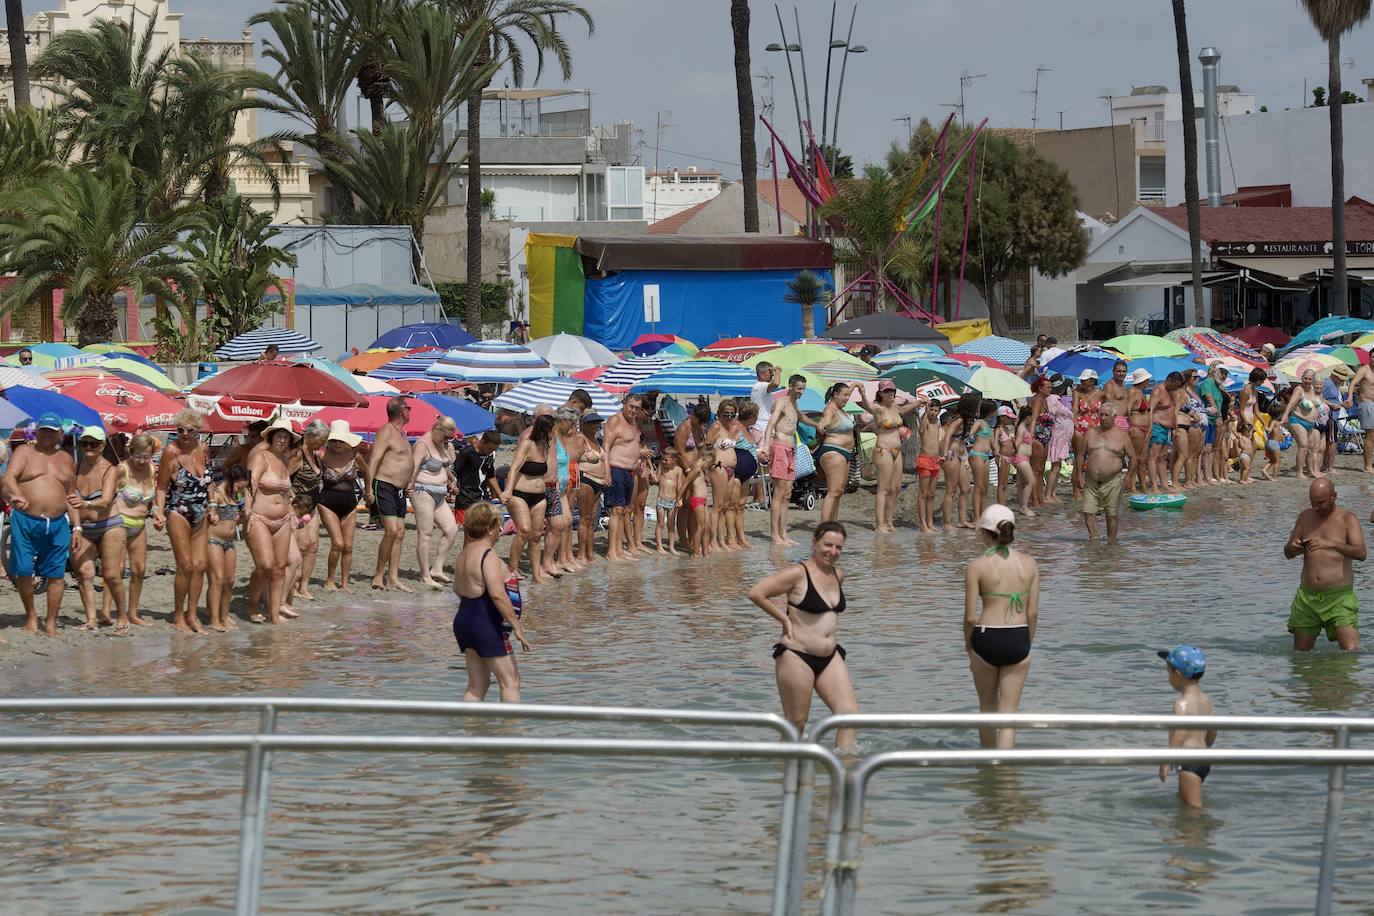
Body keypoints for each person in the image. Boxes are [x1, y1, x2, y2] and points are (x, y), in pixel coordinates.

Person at [746, 521, 859, 749]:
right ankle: (785, 767)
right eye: (828, 545)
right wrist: (784, 619)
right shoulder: (798, 573)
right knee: (796, 723)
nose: (833, 551)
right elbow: (757, 593)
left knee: (849, 716)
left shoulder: (838, 574)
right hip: (797, 655)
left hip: (830, 656)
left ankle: (843, 767)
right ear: (814, 542)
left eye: (838, 547)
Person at [964, 504, 1039, 749]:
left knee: (987, 708)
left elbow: (970, 618)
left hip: (986, 637)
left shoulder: (977, 566)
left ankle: (986, 763)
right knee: (1009, 714)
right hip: (1018, 637)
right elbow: (1032, 613)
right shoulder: (1029, 564)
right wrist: (1027, 643)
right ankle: (1005, 768)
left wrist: (969, 648)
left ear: (984, 532)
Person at [2, 413, 79, 637]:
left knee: (57, 574)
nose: (47, 435)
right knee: (24, 570)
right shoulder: (24, 452)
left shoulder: (66, 459)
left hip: (57, 523)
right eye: (43, 430)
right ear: (37, 431)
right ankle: (31, 615)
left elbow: (71, 495)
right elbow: (9, 478)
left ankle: (51, 622)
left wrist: (77, 527)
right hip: (26, 520)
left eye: (51, 431)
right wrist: (15, 495)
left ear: (60, 434)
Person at [452, 502, 530, 702]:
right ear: (489, 529)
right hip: (486, 623)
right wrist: (517, 626)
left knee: (477, 685)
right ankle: (511, 723)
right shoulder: (489, 556)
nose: (501, 531)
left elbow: (458, 589)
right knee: (510, 682)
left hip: (465, 619)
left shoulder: (464, 555)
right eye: (498, 526)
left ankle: (470, 722)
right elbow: (497, 594)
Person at [1283, 478, 1365, 651]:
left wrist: (1331, 544)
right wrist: (1293, 548)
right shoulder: (1305, 517)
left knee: (1350, 652)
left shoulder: (1348, 519)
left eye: (1320, 502)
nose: (1316, 507)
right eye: (1312, 502)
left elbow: (1361, 553)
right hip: (1307, 598)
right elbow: (1288, 553)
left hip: (1339, 598)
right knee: (1300, 655)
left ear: (1334, 496)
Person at [156, 409, 211, 633]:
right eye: (180, 430)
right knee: (185, 565)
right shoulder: (171, 451)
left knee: (200, 566)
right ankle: (178, 616)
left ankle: (192, 615)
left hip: (202, 511)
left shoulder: (203, 448)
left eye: (190, 430)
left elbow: (209, 482)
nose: (185, 434)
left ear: (198, 430)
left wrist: (214, 505)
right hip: (178, 511)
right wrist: (158, 511)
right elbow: (161, 487)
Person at [245, 417, 300, 624]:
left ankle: (275, 615)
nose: (282, 440)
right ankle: (253, 605)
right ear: (271, 437)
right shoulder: (261, 457)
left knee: (279, 568)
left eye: (286, 437)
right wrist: (247, 509)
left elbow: (285, 492)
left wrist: (291, 513)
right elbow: (250, 484)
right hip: (260, 517)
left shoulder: (284, 460)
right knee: (265, 566)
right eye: (279, 436)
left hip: (282, 520)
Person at [70, 426, 120, 631]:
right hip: (84, 526)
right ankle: (91, 619)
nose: (89, 447)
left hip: (109, 525)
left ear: (102, 446)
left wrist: (86, 504)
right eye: (85, 443)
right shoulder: (75, 468)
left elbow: (106, 500)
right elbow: (70, 500)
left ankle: (119, 616)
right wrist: (76, 527)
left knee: (111, 574)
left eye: (93, 444)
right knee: (84, 572)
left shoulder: (111, 469)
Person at [1156, 645, 1217, 808]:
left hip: (1189, 762)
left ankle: (1199, 824)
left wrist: (1166, 761)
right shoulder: (1205, 699)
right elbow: (1213, 730)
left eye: (1168, 673)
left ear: (1177, 674)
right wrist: (1205, 747)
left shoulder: (1181, 704)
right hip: (1203, 759)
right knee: (1184, 802)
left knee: (1193, 809)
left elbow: (1180, 733)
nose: (1168, 677)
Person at [857, 379, 920, 534]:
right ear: (880, 393)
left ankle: (889, 522)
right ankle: (879, 525)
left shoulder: (895, 407)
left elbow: (903, 410)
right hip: (883, 450)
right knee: (883, 489)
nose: (890, 393)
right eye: (887, 391)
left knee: (895, 488)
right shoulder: (878, 408)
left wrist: (919, 402)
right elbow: (867, 406)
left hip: (897, 450)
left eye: (892, 390)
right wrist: (863, 394)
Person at [108, 433, 158, 629]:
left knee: (139, 570)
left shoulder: (151, 469)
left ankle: (133, 613)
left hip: (139, 524)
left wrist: (156, 511)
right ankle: (107, 612)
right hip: (119, 523)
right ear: (131, 452)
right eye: (138, 456)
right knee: (117, 570)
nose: (142, 461)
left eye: (146, 456)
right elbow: (107, 496)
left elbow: (154, 497)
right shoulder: (122, 469)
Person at [369, 396, 416, 592]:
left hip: (400, 489)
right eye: (409, 408)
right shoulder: (386, 431)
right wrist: (368, 488)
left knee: (400, 532)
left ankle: (393, 577)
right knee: (391, 531)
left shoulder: (402, 434)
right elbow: (374, 459)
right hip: (384, 484)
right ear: (402, 411)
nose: (410, 411)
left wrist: (410, 482)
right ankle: (378, 574)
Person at [318, 420, 367, 592]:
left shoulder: (354, 455)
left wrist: (369, 492)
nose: (337, 444)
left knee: (348, 546)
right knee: (337, 544)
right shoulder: (322, 455)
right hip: (327, 503)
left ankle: (345, 583)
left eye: (341, 440)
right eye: (334, 440)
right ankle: (329, 580)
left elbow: (367, 472)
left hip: (350, 504)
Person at [503, 413, 553, 581]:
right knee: (524, 530)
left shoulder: (545, 447)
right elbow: (514, 468)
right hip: (520, 494)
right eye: (552, 430)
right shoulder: (527, 444)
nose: (554, 433)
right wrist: (508, 490)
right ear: (545, 429)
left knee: (536, 536)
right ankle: (512, 568)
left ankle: (536, 575)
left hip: (539, 497)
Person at [412, 416, 459, 588]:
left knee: (451, 529)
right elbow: (413, 467)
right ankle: (425, 575)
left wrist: (452, 480)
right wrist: (409, 486)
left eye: (450, 438)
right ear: (437, 429)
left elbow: (444, 466)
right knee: (426, 534)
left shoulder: (440, 444)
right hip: (423, 491)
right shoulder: (422, 445)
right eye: (446, 437)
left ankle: (437, 569)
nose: (447, 441)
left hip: (440, 493)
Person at [762, 374, 807, 546]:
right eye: (799, 388)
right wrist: (766, 447)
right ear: (791, 386)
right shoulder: (782, 402)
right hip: (780, 447)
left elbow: (803, 418)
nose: (801, 392)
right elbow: (770, 425)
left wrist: (818, 425)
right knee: (779, 494)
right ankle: (775, 535)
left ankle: (783, 533)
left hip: (791, 450)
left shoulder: (795, 405)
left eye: (803, 389)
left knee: (787, 495)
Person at [603, 394, 649, 561]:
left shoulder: (633, 423)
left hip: (630, 472)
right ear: (623, 404)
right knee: (616, 511)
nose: (633, 411)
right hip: (616, 469)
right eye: (631, 407)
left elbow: (632, 445)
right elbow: (606, 447)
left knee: (623, 511)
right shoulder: (615, 420)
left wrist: (639, 460)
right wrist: (607, 472)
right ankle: (612, 552)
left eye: (637, 408)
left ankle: (619, 550)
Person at [207, 465, 249, 632]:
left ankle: (224, 616)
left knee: (229, 580)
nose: (240, 491)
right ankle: (214, 619)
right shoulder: (217, 494)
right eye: (239, 486)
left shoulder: (233, 495)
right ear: (232, 480)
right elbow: (209, 514)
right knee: (217, 579)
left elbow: (232, 519)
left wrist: (242, 517)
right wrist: (212, 514)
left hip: (229, 542)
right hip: (214, 541)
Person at [289, 418, 327, 602]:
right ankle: (293, 584)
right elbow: (284, 477)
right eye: (322, 440)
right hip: (298, 506)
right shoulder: (298, 454)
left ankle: (304, 586)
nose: (323, 444)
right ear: (311, 435)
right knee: (301, 546)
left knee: (313, 546)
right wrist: (292, 499)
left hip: (312, 506)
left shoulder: (315, 455)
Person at [1082, 403, 1130, 541]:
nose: (1103, 418)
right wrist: (1077, 474)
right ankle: (1094, 539)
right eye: (1101, 414)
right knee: (1088, 512)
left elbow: (1133, 457)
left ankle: (1112, 543)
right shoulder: (1091, 432)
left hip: (1113, 481)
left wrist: (1129, 477)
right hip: (1091, 481)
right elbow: (1081, 455)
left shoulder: (1122, 435)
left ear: (1114, 416)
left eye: (1106, 415)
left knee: (1111, 514)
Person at [705, 399, 746, 549]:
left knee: (725, 506)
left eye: (732, 414)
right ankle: (712, 541)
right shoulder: (717, 426)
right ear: (719, 413)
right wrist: (706, 470)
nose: (729, 417)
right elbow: (707, 447)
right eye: (726, 414)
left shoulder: (731, 427)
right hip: (719, 468)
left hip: (730, 470)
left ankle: (721, 541)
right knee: (717, 506)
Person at [814, 383, 855, 524]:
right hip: (834, 451)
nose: (847, 398)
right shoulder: (830, 409)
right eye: (844, 395)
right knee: (833, 492)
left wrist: (856, 385)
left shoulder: (840, 408)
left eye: (848, 395)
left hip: (845, 453)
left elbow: (847, 390)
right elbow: (825, 419)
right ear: (835, 394)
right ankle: (824, 526)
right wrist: (821, 425)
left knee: (839, 492)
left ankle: (832, 524)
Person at [1279, 370, 1323, 481]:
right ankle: (1299, 472)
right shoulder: (1299, 390)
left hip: (1311, 423)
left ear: (1313, 380)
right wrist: (1285, 415)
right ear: (1302, 378)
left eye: (1310, 379)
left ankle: (1311, 471)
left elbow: (1319, 402)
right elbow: (1291, 403)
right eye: (1305, 378)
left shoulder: (1313, 389)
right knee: (1303, 446)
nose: (1307, 381)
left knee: (1311, 448)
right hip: (1297, 420)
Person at [572, 416, 605, 563]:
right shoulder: (581, 439)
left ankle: (589, 554)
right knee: (585, 518)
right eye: (592, 423)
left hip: (599, 482)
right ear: (583, 424)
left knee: (592, 520)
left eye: (597, 422)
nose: (596, 425)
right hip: (586, 479)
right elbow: (573, 461)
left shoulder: (596, 440)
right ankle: (581, 554)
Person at [1071, 369, 1104, 499]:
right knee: (1079, 458)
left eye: (1085, 380)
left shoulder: (1101, 394)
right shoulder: (1077, 392)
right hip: (1080, 425)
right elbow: (1074, 408)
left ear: (1092, 381)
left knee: (1095, 458)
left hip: (1095, 427)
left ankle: (1093, 488)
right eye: (1082, 380)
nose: (1083, 382)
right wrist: (1074, 422)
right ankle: (1076, 489)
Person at [1149, 372, 1183, 493]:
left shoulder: (1172, 392)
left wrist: (1175, 427)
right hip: (1157, 426)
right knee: (1154, 456)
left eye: (1178, 386)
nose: (1176, 388)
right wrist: (1150, 428)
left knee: (1163, 457)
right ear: (1168, 380)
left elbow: (1172, 411)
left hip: (1167, 429)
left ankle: (1164, 484)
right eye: (1175, 385)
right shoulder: (1158, 390)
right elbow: (1150, 410)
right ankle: (1154, 486)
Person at [1126, 369, 1154, 493]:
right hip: (1136, 428)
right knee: (1135, 458)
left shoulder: (1141, 392)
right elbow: (1127, 410)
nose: (1149, 381)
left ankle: (1143, 485)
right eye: (1147, 379)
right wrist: (1129, 427)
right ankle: (1132, 485)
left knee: (1143, 459)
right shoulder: (1133, 391)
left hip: (1144, 429)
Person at [915, 403, 942, 531]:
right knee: (923, 493)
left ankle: (930, 523)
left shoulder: (938, 422)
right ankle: (923, 524)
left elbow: (938, 440)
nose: (933, 412)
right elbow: (921, 431)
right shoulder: (925, 420)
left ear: (939, 411)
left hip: (935, 460)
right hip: (924, 460)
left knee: (931, 494)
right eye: (931, 409)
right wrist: (925, 413)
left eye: (936, 410)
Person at [1319, 365, 1348, 474]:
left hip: (1332, 415)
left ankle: (1326, 466)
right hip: (1330, 416)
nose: (1342, 381)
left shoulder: (1331, 384)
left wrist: (1341, 404)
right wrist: (1333, 405)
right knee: (1332, 442)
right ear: (1336, 376)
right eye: (1341, 379)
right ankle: (1329, 467)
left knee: (1330, 442)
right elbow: (1320, 398)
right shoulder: (1328, 384)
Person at [1349, 358, 1374, 474]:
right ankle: (1367, 466)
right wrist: (1350, 397)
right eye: (1373, 356)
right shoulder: (1364, 370)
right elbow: (1353, 383)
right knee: (1370, 435)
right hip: (1367, 404)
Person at [656, 448, 683, 554]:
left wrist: (679, 499)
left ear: (674, 460)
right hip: (661, 500)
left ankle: (671, 547)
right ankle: (659, 546)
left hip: (672, 501)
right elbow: (657, 479)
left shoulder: (678, 470)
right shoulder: (661, 467)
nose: (663, 461)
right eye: (662, 459)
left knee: (671, 525)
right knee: (660, 523)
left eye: (666, 460)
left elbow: (679, 485)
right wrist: (653, 477)